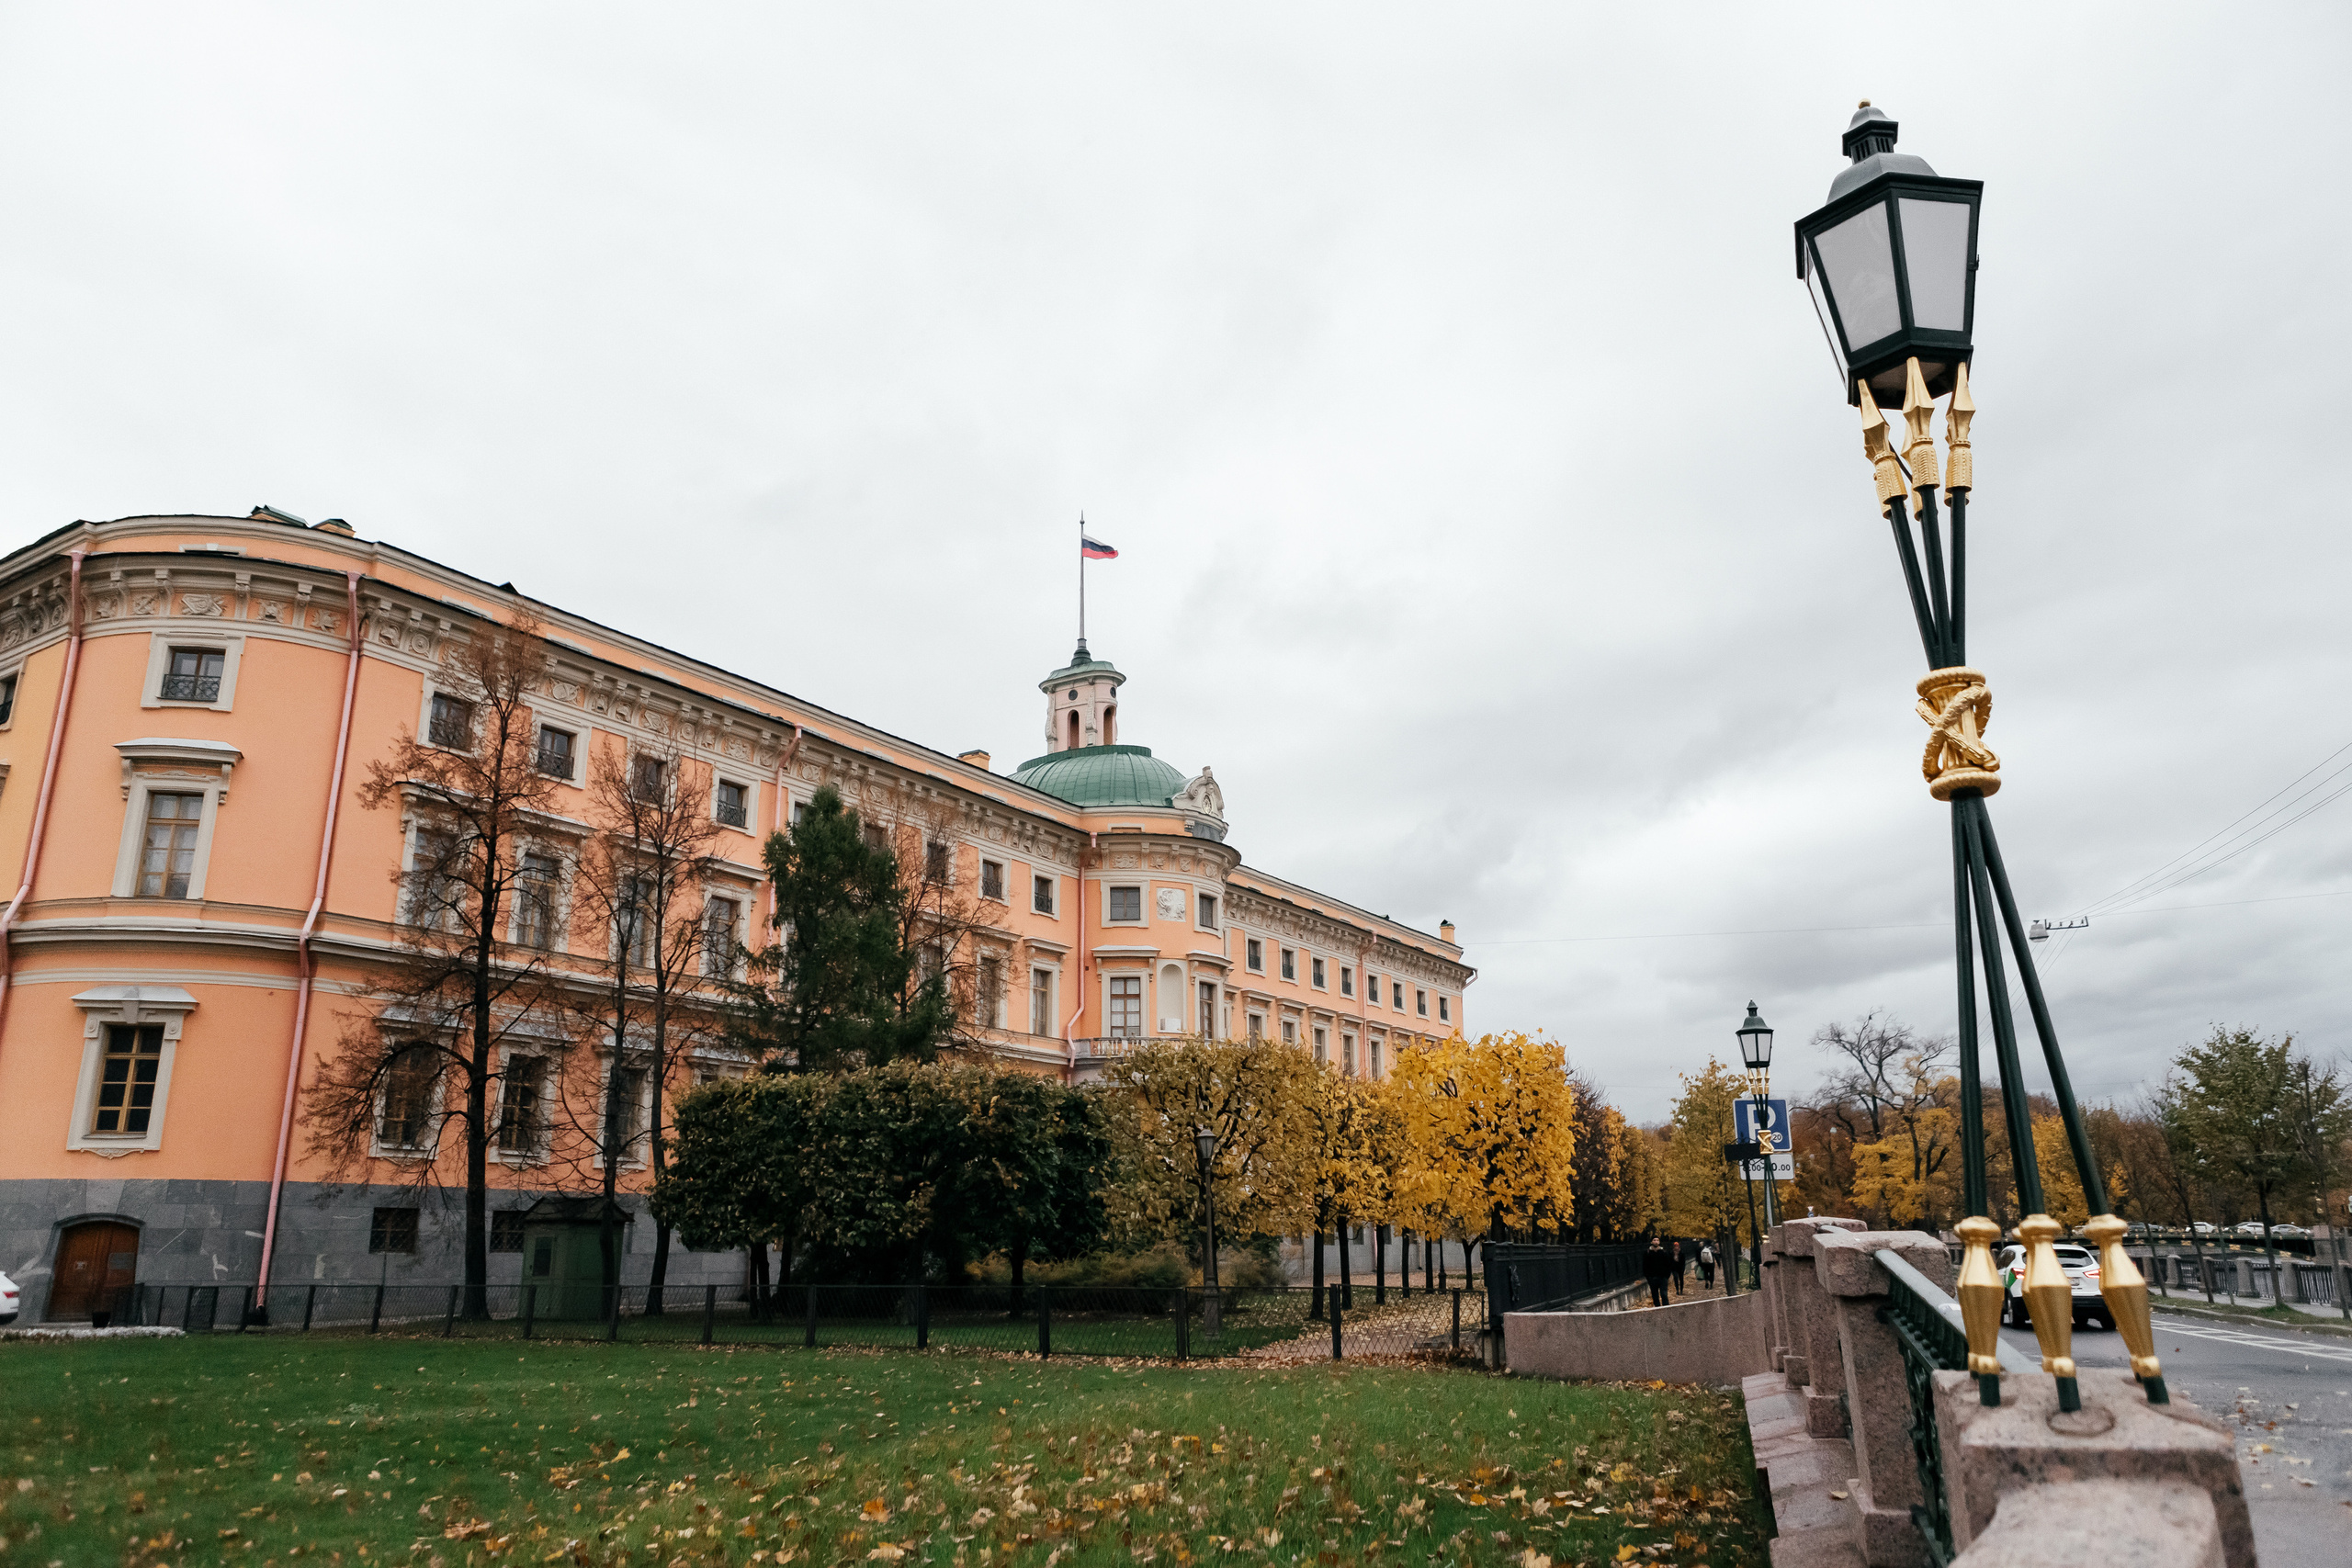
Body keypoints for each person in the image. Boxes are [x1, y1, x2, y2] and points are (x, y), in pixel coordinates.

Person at [1642, 1237, 1672, 1307]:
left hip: (1663, 1277)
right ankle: (1657, 1309)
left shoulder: (1663, 1251)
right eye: (1654, 1240)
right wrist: (1648, 1277)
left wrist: (1666, 1276)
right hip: (1652, 1278)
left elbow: (1668, 1264)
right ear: (1651, 1242)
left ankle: (1666, 1308)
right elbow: (1645, 1265)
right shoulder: (1647, 1252)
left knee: (1664, 1294)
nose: (1656, 1242)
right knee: (1655, 1295)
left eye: (1657, 1240)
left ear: (1659, 1242)